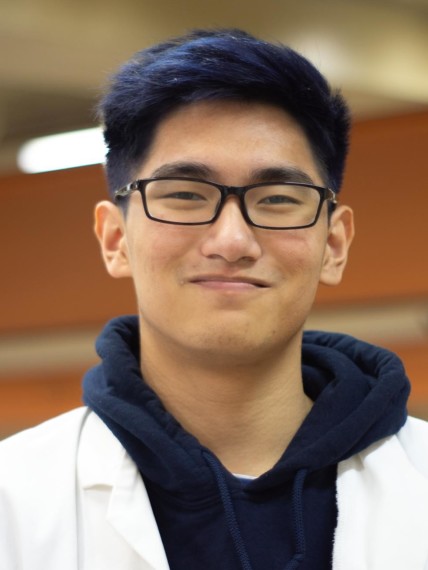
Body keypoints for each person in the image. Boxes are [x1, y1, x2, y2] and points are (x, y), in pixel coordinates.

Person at [1, 29, 428, 570]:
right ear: (115, 240)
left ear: (334, 245)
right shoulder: (14, 500)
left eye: (277, 199)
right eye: (184, 195)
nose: (231, 241)